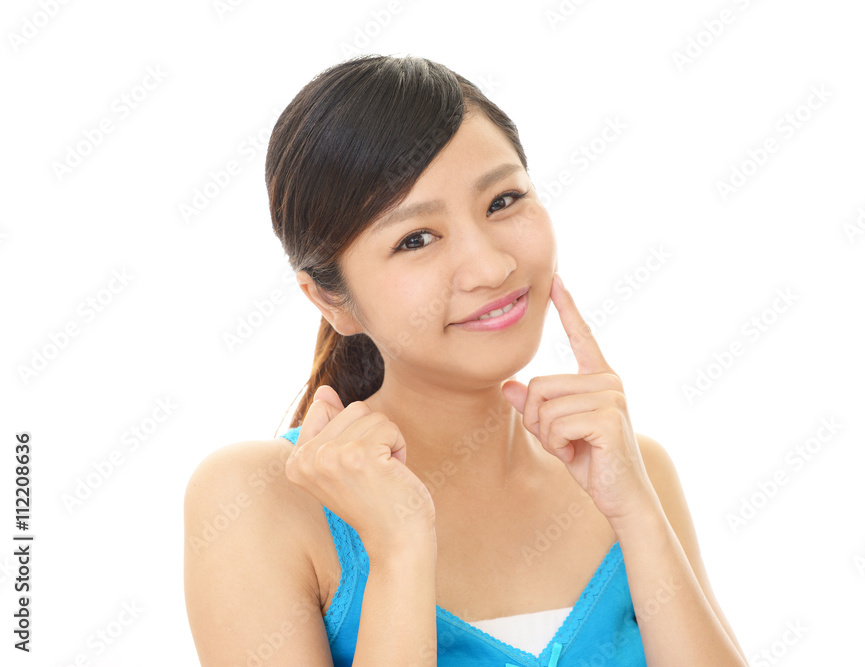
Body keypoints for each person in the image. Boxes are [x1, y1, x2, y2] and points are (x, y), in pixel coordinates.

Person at [184, 54, 748, 666]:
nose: (492, 266)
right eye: (415, 239)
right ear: (330, 299)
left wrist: (636, 513)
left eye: (503, 201)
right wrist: (398, 549)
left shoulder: (628, 467)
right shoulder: (257, 497)